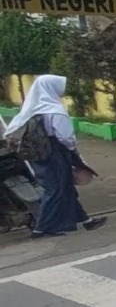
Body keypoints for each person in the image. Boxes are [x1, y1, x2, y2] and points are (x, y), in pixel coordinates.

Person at [2, 74, 106, 238]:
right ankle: (42, 228)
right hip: (56, 153)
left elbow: (11, 132)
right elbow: (65, 137)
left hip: (38, 155)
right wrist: (74, 152)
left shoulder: (31, 108)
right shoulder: (55, 111)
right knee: (56, 189)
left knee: (65, 187)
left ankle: (86, 220)